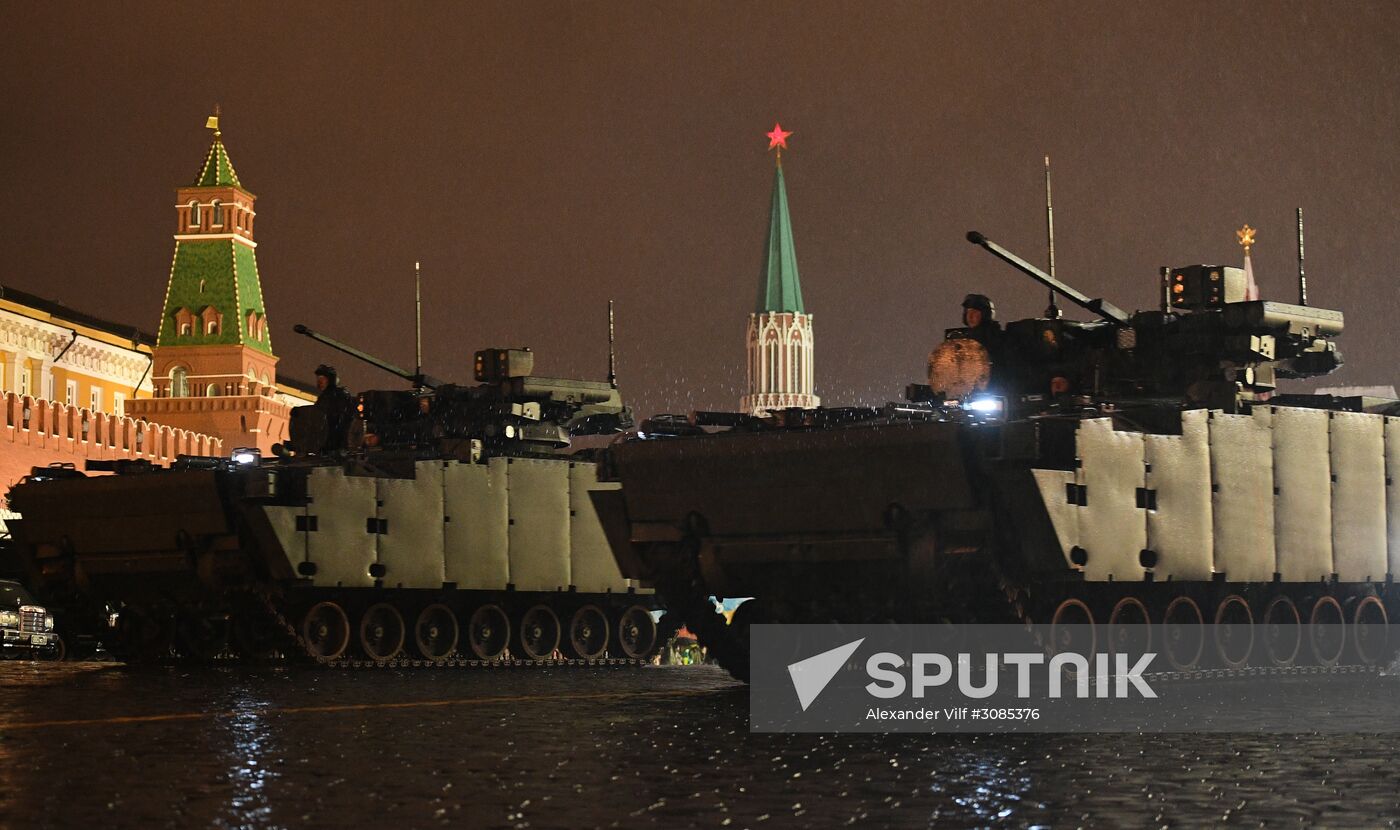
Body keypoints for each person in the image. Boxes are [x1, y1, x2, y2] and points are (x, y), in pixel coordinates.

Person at [313, 364, 356, 452]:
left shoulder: (340, 395)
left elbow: (344, 417)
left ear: (329, 380)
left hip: (336, 439)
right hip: (324, 439)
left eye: (322, 379)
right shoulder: (323, 398)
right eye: (318, 379)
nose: (319, 382)